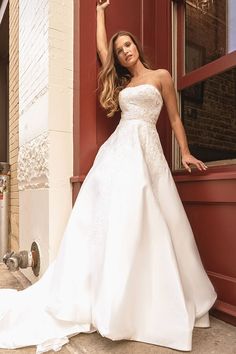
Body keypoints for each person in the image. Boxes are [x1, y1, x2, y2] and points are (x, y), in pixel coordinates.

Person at [0, 1, 216, 353]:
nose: (124, 52)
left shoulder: (161, 76)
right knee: (119, 219)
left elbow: (175, 119)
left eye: (127, 45)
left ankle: (149, 298)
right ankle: (110, 296)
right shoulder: (123, 81)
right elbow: (101, 50)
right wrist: (99, 13)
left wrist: (186, 152)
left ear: (137, 46)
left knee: (153, 218)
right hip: (118, 154)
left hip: (149, 154)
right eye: (119, 50)